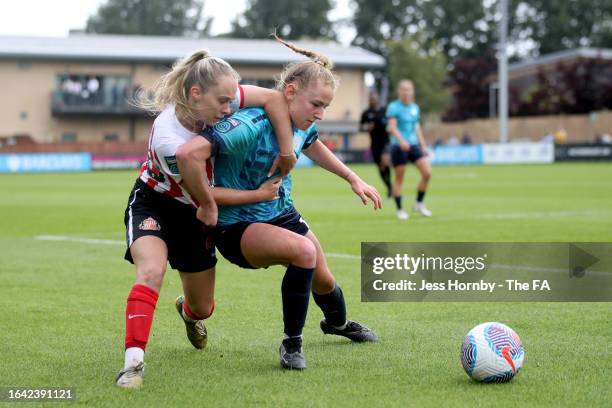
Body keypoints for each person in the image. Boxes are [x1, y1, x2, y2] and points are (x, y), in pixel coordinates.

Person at [178, 36, 382, 371]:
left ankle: (338, 324)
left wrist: (352, 178)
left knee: (325, 282)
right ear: (289, 92)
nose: (319, 114)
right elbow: (192, 159)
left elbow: (314, 146)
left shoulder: (302, 125)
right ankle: (292, 343)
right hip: (237, 225)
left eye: (324, 107)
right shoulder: (248, 125)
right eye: (315, 104)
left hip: (282, 213)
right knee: (304, 252)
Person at [116, 49, 297, 388]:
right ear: (195, 94)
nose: (230, 108)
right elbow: (207, 198)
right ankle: (133, 364)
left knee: (203, 308)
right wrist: (259, 196)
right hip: (156, 203)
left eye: (233, 99)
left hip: (193, 215)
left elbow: (273, 99)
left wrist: (286, 152)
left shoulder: (223, 95)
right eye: (223, 101)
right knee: (151, 271)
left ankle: (187, 312)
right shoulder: (171, 141)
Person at [386, 80, 433, 220]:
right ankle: (400, 209)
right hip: (398, 146)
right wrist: (401, 141)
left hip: (413, 146)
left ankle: (419, 203)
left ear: (412, 91)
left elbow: (416, 127)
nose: (406, 92)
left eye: (409, 89)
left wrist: (423, 145)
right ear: (399, 91)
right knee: (399, 179)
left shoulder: (415, 108)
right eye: (403, 89)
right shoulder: (394, 107)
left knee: (427, 173)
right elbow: (392, 127)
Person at [360, 91, 392, 197]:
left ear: (378, 99)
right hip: (375, 144)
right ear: (369, 100)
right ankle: (389, 186)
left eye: (375, 98)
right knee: (381, 168)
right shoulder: (366, 113)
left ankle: (391, 186)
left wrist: (390, 127)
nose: (373, 100)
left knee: (385, 161)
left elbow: (391, 123)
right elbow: (361, 127)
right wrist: (367, 127)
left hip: (385, 142)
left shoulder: (384, 111)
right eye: (371, 98)